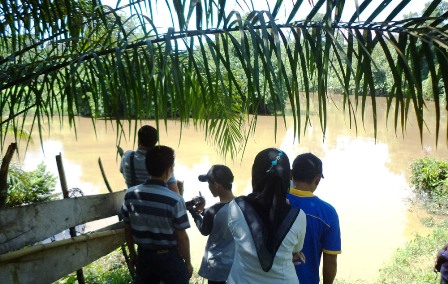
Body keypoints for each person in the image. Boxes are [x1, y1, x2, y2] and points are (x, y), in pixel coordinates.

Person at [227, 148, 307, 283]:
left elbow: (239, 236)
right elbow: (296, 250)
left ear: (255, 174)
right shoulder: (298, 216)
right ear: (287, 178)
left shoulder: (236, 207)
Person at [120, 145, 192, 284]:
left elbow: (127, 229)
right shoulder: (175, 200)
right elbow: (182, 237)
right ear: (169, 169)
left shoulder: (130, 195)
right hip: (169, 258)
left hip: (144, 256)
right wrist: (188, 263)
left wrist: (133, 254)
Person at [287, 153, 341, 284]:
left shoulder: (274, 201)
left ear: (291, 174)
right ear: (317, 179)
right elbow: (330, 262)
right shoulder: (328, 213)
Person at [188, 165, 236, 284]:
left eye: (209, 184)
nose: (209, 187)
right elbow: (223, 217)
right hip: (235, 266)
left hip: (216, 267)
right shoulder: (241, 204)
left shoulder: (212, 211)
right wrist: (203, 211)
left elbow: (204, 230)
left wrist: (194, 212)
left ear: (216, 185)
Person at [120, 125, 179, 193]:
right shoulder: (160, 161)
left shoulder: (127, 156)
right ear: (156, 141)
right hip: (156, 200)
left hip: (133, 197)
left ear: (138, 140)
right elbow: (175, 192)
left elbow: (122, 171)